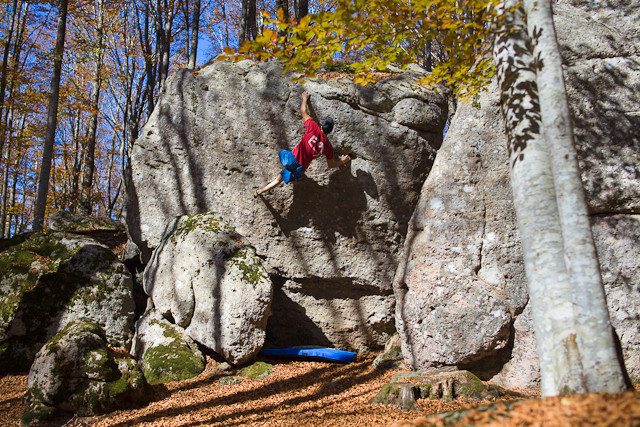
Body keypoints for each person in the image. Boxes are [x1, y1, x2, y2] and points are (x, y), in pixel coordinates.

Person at [253, 91, 351, 197]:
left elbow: (303, 111)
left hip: (292, 158)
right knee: (279, 179)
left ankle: (259, 191)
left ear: (321, 126)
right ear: (330, 131)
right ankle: (259, 192)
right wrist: (342, 161)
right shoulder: (328, 147)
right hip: (301, 168)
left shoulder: (313, 127)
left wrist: (304, 99)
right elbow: (331, 165)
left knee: (282, 152)